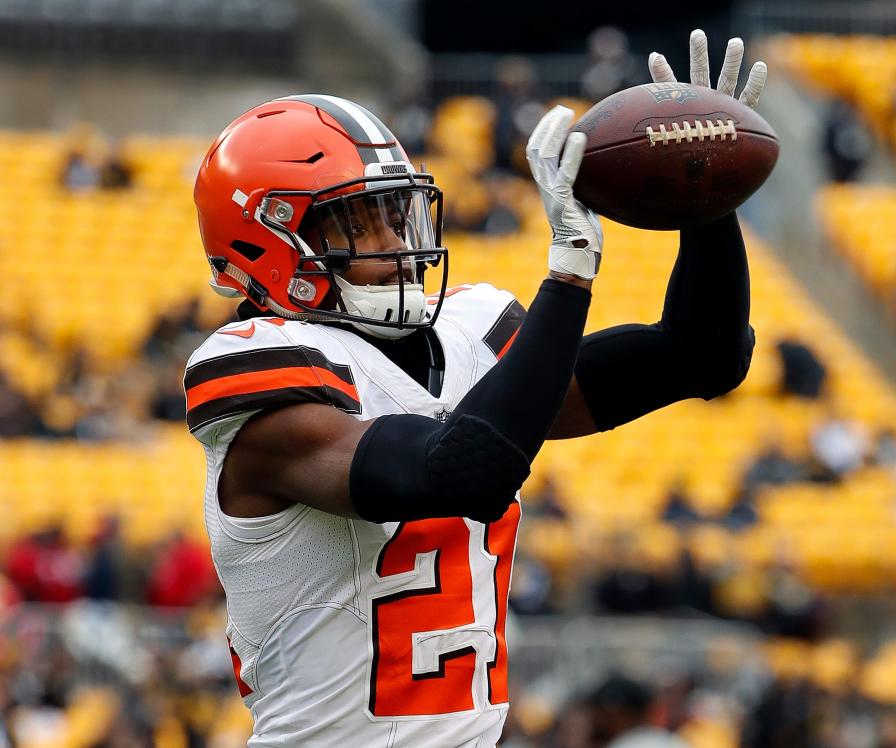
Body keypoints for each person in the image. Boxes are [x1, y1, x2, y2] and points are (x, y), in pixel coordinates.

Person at [186, 29, 764, 747]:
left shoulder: (467, 328)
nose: (398, 244)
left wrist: (708, 200)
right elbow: (466, 468)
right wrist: (568, 274)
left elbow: (701, 356)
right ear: (268, 242)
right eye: (361, 225)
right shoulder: (262, 378)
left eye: (396, 214)